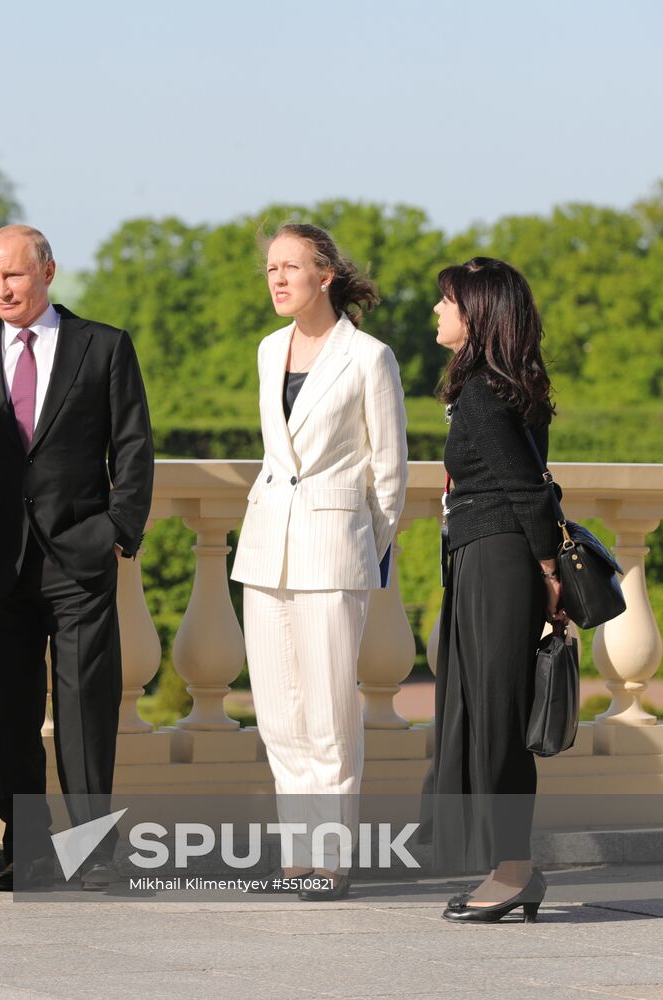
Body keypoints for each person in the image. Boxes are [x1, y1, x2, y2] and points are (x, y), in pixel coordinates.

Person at [0, 224, 154, 891]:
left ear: (48, 272)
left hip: (80, 559)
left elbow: (134, 447)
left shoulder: (104, 347)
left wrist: (118, 529)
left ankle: (93, 854)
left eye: (15, 275)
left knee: (86, 713)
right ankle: (24, 852)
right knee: (6, 716)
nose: (2, 289)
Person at [231, 223, 408, 901]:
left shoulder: (370, 358)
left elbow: (389, 479)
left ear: (325, 275)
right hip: (264, 550)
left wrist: (358, 547)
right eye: (270, 268)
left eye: (291, 267)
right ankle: (296, 856)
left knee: (331, 713)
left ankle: (330, 860)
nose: (277, 279)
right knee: (278, 714)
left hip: (333, 555)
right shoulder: (267, 349)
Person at [427, 257, 562, 923]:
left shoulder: (482, 393)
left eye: (446, 302)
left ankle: (511, 872)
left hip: (500, 565)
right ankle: (513, 870)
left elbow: (527, 490)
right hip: (488, 560)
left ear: (476, 314)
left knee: (496, 722)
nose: (437, 312)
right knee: (490, 716)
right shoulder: (503, 388)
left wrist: (546, 574)